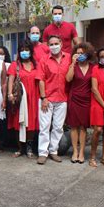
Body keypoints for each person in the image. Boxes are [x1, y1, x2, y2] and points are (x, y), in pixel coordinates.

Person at [36, 35, 71, 165]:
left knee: (58, 127)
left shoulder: (68, 58)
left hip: (62, 98)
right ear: (48, 46)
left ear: (61, 44)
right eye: (51, 44)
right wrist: (43, 97)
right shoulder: (44, 60)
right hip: (47, 99)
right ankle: (42, 153)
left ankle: (53, 151)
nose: (54, 46)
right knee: (44, 127)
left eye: (56, 43)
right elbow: (41, 80)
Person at [7, 40, 39, 158]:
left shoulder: (36, 65)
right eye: (22, 50)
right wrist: (10, 94)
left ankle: (29, 147)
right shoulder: (15, 65)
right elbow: (11, 80)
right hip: (20, 98)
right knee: (18, 122)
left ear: (31, 51)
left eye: (26, 50)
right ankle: (20, 148)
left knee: (31, 122)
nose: (24, 52)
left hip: (34, 97)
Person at [65, 42, 95, 164]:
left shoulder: (93, 67)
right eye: (77, 53)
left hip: (87, 100)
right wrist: (73, 63)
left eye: (82, 53)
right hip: (74, 98)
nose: (79, 55)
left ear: (88, 54)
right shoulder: (73, 66)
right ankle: (75, 152)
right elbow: (68, 79)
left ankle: (82, 152)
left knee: (83, 127)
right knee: (74, 126)